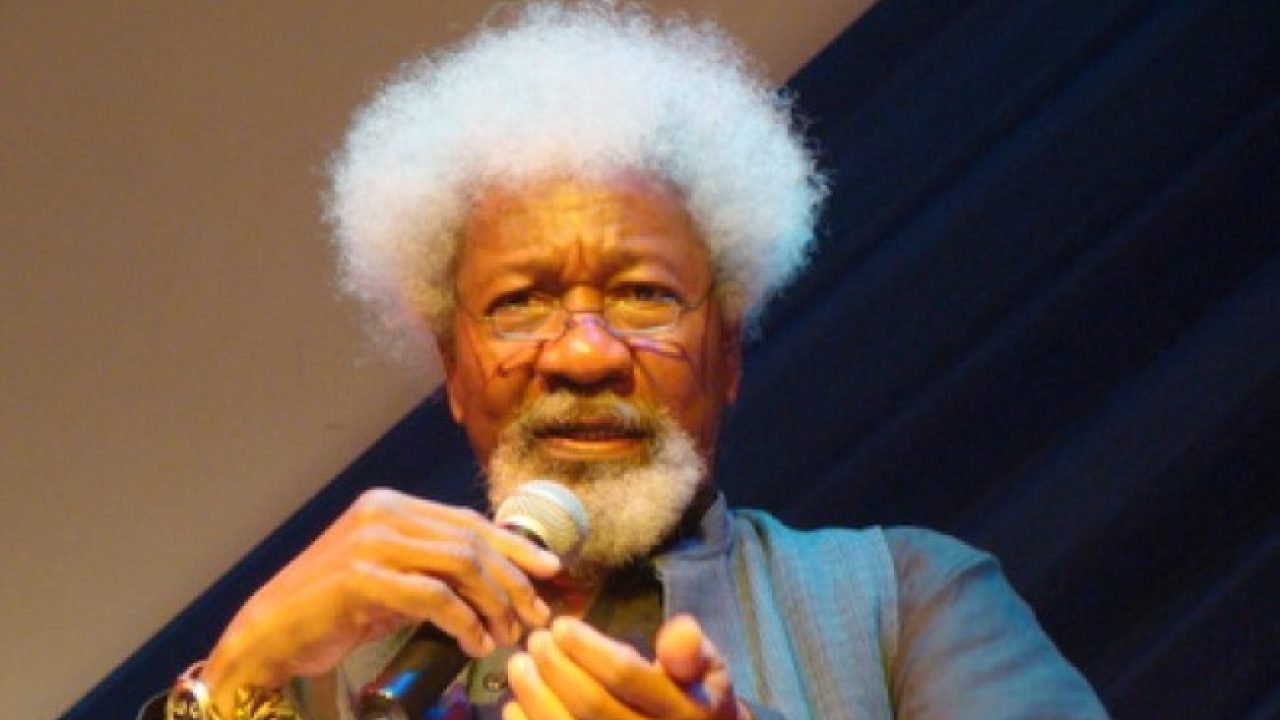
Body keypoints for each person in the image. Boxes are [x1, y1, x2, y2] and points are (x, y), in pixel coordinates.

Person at [153, 3, 1108, 719]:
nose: (584, 353)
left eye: (643, 295)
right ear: (452, 369)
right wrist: (235, 677)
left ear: (727, 353)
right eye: (521, 304)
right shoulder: (336, 667)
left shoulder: (903, 603)